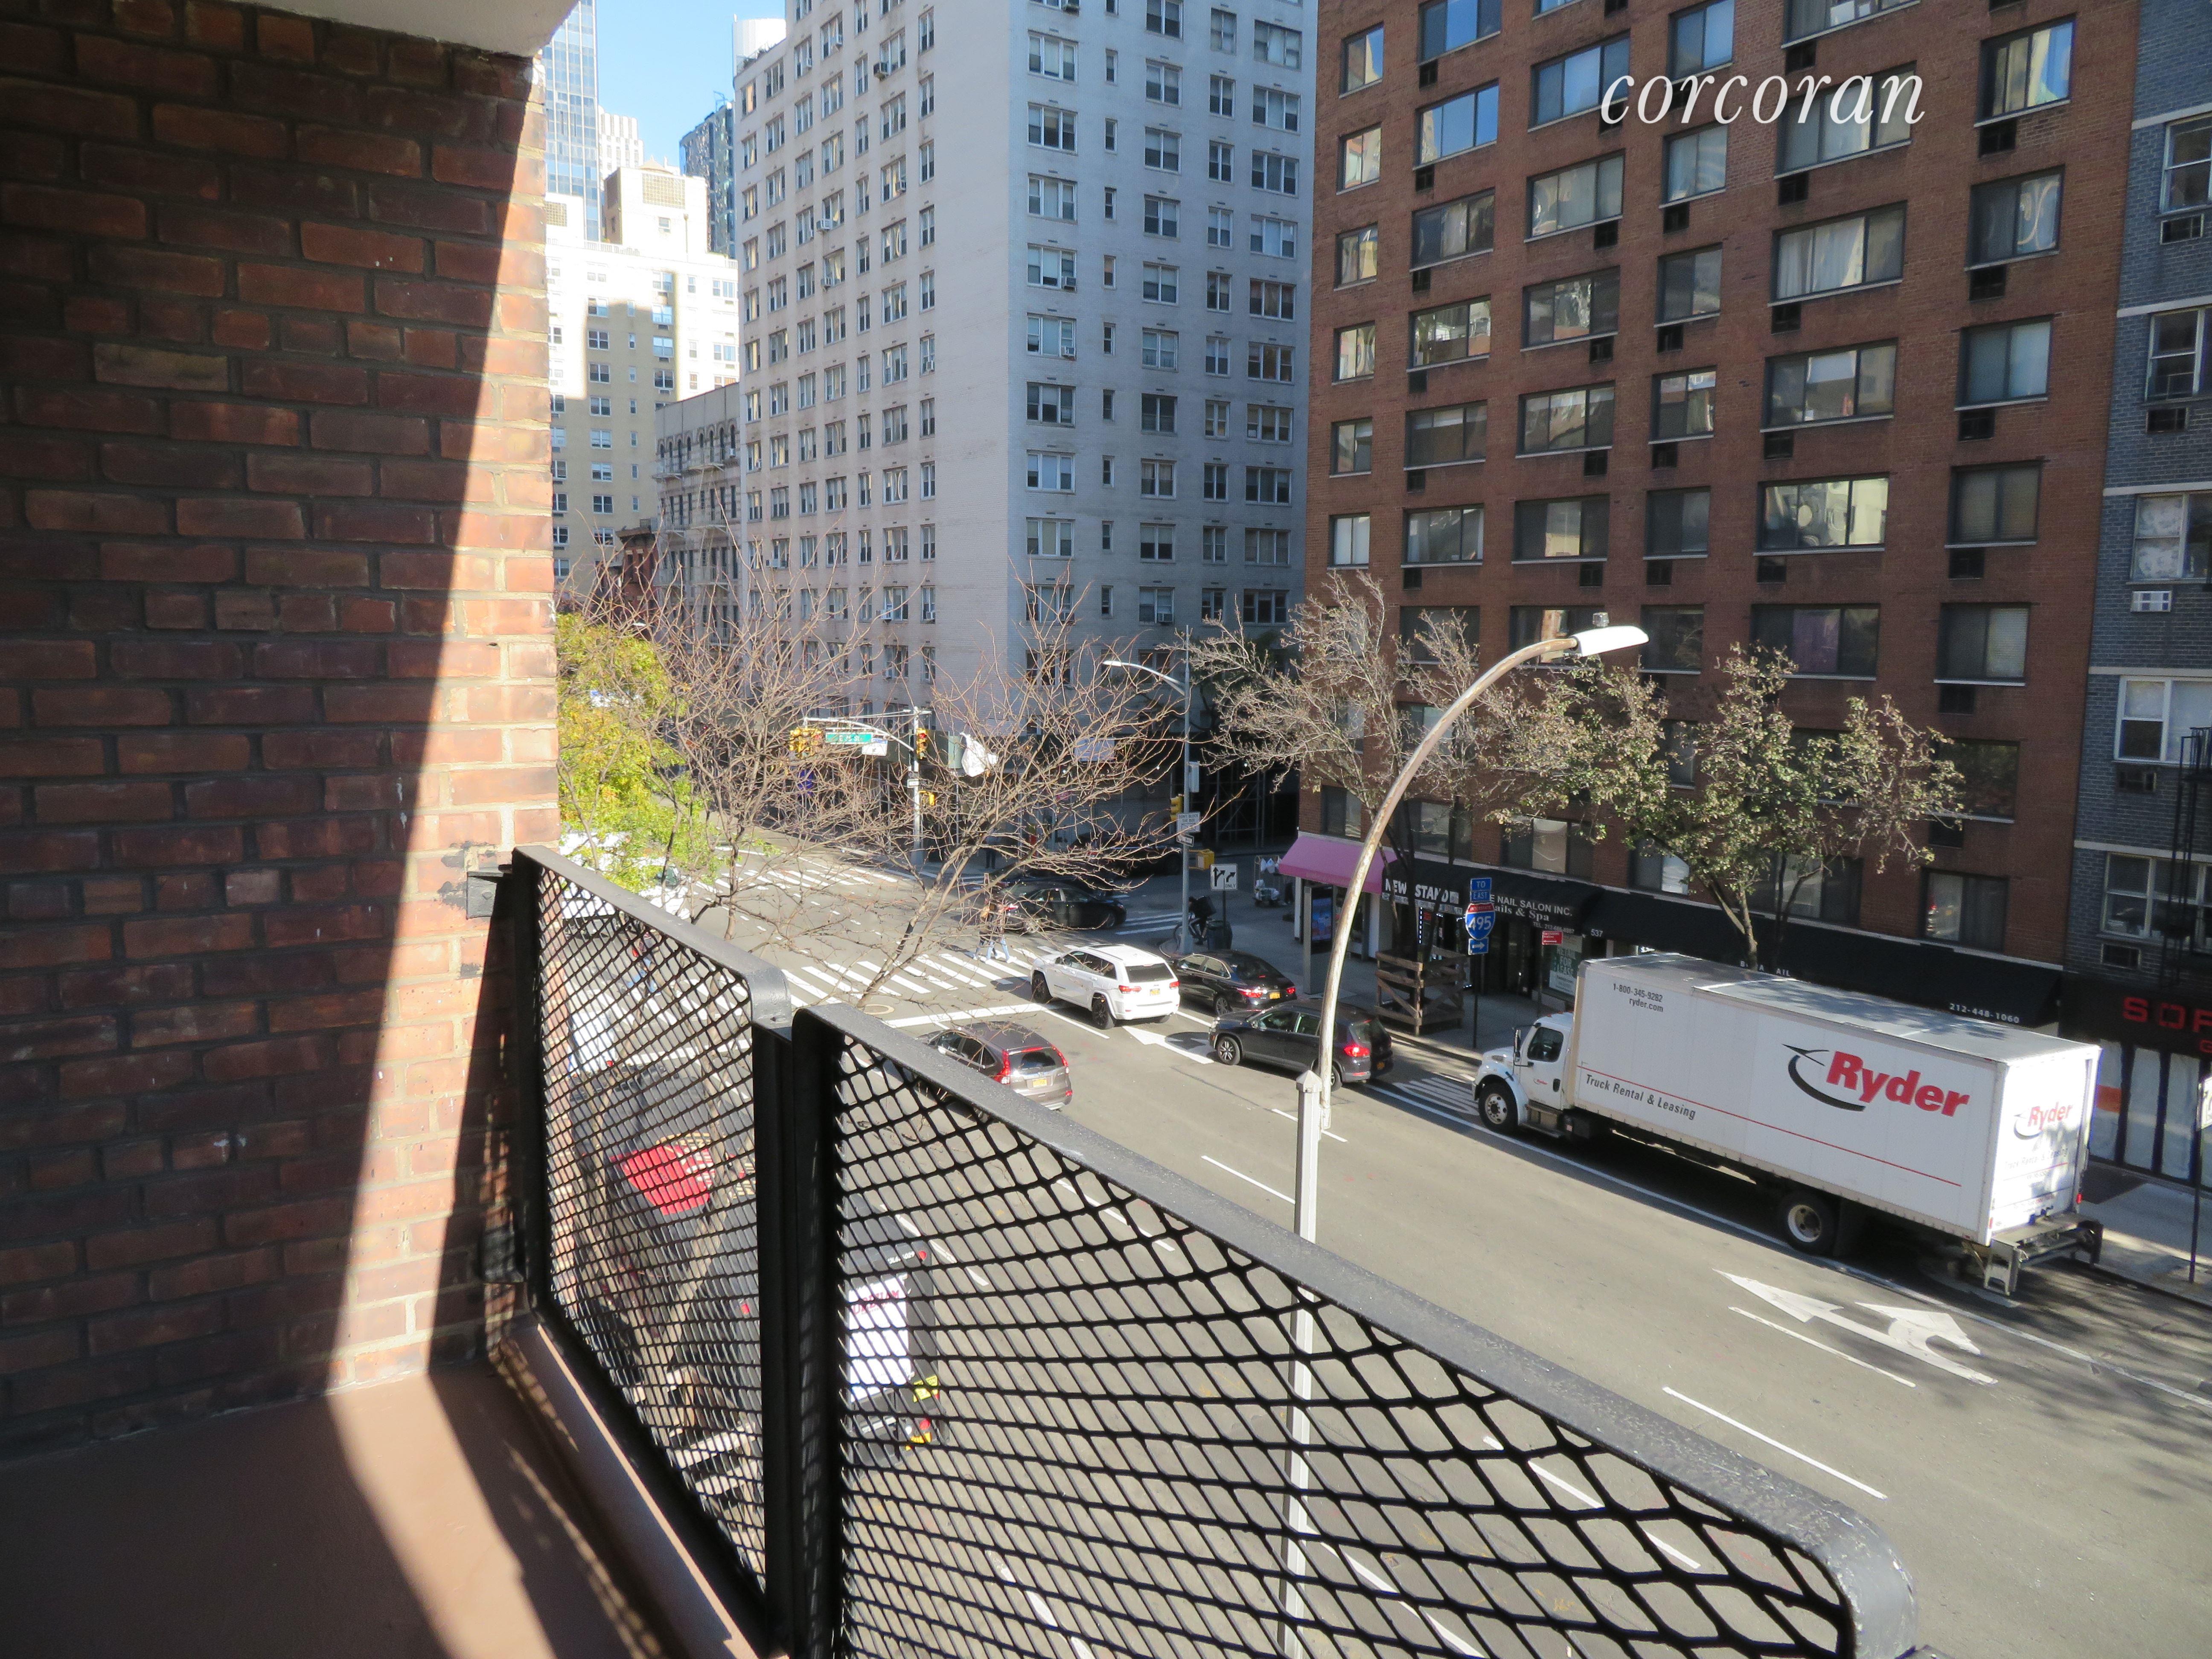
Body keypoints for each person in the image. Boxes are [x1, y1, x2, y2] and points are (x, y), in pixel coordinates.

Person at [979, 898, 1011, 963]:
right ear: (1001, 909)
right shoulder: (1000, 916)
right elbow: (1000, 925)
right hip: (998, 933)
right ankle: (988, 958)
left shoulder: (994, 914)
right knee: (993, 945)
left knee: (999, 944)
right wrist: (1001, 933)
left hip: (994, 931)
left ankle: (1007, 957)